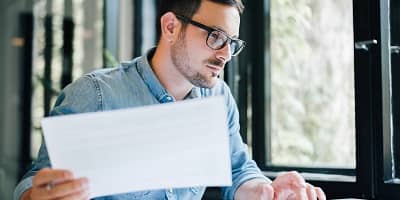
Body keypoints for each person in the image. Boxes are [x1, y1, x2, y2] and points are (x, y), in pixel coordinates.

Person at [14, 0, 326, 199]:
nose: (225, 54)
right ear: (171, 26)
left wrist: (268, 192)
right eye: (215, 36)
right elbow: (33, 185)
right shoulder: (95, 95)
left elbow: (237, 171)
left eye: (232, 42)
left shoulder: (218, 98)